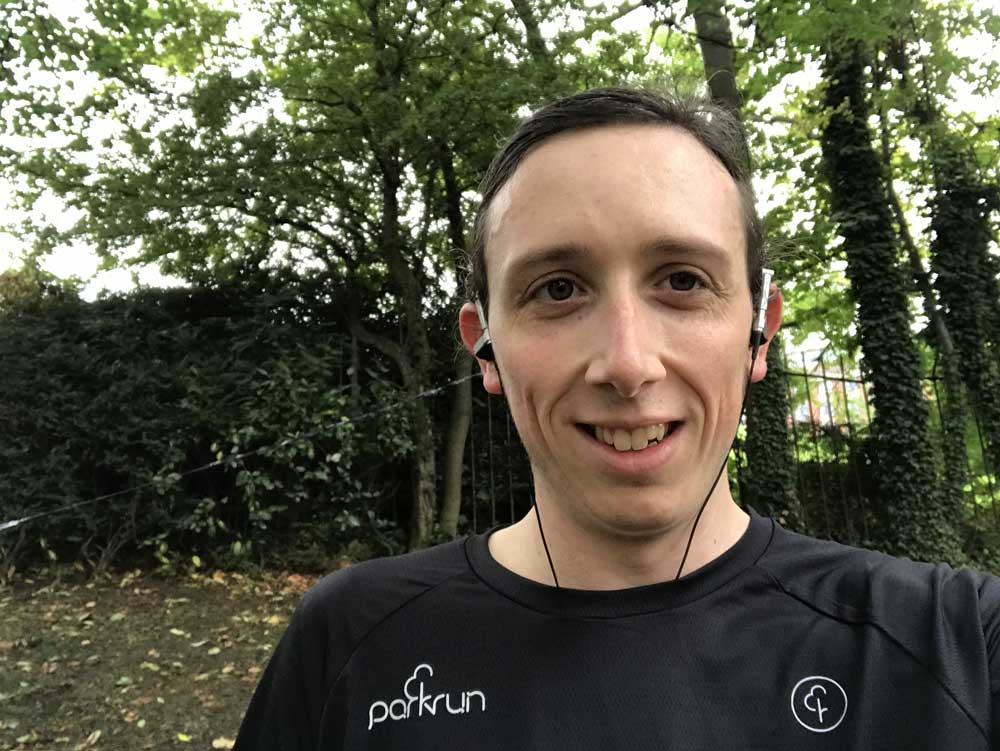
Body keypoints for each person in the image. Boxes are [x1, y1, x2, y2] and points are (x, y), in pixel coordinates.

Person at [233, 87, 1000, 749]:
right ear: (485, 347)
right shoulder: (349, 644)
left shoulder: (961, 642)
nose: (628, 365)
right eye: (558, 289)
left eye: (682, 280)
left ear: (759, 330)